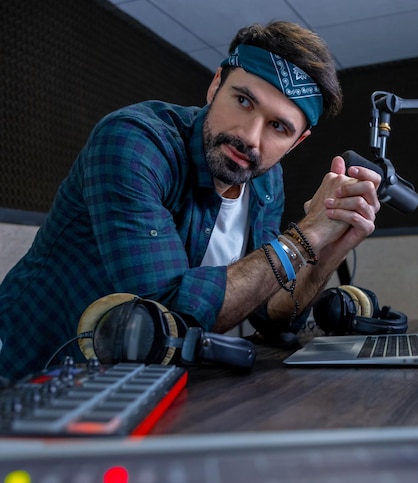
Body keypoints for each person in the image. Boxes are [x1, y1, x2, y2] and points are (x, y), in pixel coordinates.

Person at [0, 20, 380, 383]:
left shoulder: (266, 178)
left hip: (131, 388)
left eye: (278, 126)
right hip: (27, 372)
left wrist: (329, 244)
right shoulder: (134, 143)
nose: (249, 136)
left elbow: (272, 312)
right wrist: (303, 237)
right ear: (216, 85)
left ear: (297, 142)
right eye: (244, 101)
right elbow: (170, 318)